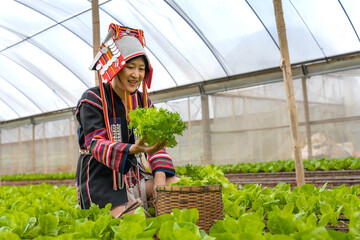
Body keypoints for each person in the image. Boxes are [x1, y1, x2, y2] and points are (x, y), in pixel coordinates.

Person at [75, 23, 178, 218]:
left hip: (134, 174)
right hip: (101, 177)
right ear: (116, 67)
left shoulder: (142, 101)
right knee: (131, 223)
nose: (136, 75)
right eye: (130, 67)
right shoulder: (92, 99)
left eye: (141, 69)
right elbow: (95, 144)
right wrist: (133, 149)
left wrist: (159, 178)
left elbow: (156, 145)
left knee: (177, 188)